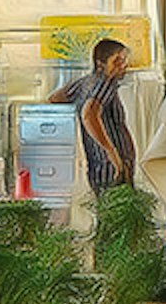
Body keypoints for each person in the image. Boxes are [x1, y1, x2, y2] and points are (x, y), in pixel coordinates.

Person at [56, 37, 138, 194]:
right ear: (101, 64)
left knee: (106, 213)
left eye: (124, 60)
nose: (123, 65)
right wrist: (113, 154)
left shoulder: (85, 82)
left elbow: (56, 98)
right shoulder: (105, 82)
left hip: (99, 168)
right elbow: (89, 114)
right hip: (113, 167)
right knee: (118, 214)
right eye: (117, 61)